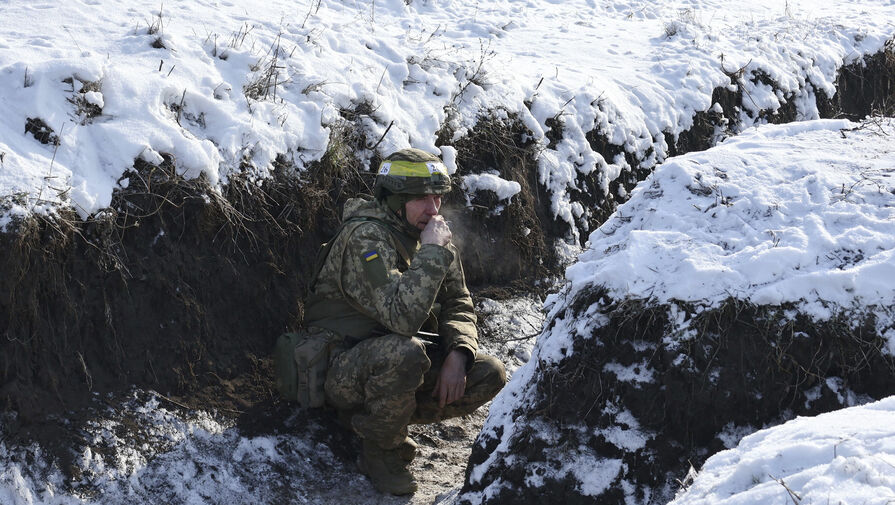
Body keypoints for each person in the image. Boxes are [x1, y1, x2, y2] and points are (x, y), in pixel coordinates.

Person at [302, 148, 507, 495]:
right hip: (339, 368)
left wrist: (459, 352)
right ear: (395, 199)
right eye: (421, 198)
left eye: (438, 197)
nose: (434, 208)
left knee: (490, 373)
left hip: (391, 361)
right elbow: (402, 317)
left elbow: (458, 302)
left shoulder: (431, 236)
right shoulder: (365, 238)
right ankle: (379, 450)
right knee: (405, 352)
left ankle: (380, 422)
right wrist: (432, 253)